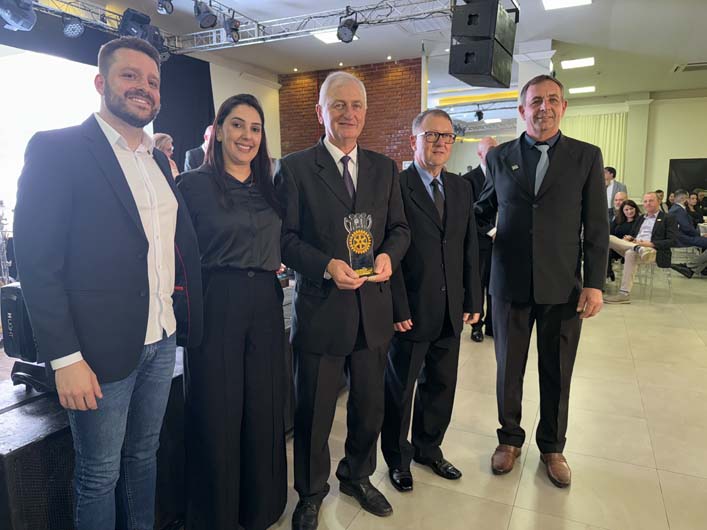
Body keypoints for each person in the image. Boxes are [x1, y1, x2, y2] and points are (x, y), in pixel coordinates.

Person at [13, 37, 203, 530]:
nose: (144, 88)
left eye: (153, 81)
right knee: (99, 474)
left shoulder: (158, 162)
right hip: (96, 351)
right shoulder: (57, 149)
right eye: (130, 76)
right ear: (101, 82)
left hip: (161, 339)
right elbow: (36, 263)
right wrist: (65, 359)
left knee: (144, 455)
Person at [276, 71, 410, 530]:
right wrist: (326, 265)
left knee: (369, 406)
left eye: (356, 105)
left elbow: (400, 229)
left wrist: (389, 255)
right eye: (338, 104)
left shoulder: (384, 168)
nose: (348, 113)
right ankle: (311, 492)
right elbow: (285, 239)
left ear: (365, 113)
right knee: (313, 412)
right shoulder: (295, 169)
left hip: (373, 312)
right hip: (321, 310)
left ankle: (357, 475)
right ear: (321, 112)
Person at [475, 74, 608, 488]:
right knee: (507, 369)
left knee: (557, 371)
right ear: (522, 110)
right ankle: (509, 439)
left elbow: (597, 224)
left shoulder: (586, 157)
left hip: (563, 286)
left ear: (563, 107)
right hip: (509, 284)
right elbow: (484, 209)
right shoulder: (500, 157)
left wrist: (595, 282)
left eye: (552, 100)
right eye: (535, 101)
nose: (544, 108)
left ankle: (552, 446)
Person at [178, 94, 286, 529]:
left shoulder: (270, 187)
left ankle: (260, 509)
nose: (247, 135)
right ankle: (216, 516)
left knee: (264, 406)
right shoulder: (191, 185)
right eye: (238, 125)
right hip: (216, 299)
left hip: (265, 300)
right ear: (219, 130)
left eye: (255, 128)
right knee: (217, 409)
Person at [381, 109, 481, 493]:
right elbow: (388, 250)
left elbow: (469, 246)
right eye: (431, 135)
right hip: (410, 309)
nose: (440, 142)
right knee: (400, 389)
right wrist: (397, 306)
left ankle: (428, 448)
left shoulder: (460, 188)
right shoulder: (395, 186)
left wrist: (473, 298)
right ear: (414, 141)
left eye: (447, 136)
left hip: (450, 308)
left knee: (441, 385)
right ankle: (397, 458)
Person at [604, 192, 677, 303]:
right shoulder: (641, 218)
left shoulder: (668, 218)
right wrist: (630, 238)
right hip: (636, 246)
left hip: (653, 250)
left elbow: (672, 241)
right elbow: (634, 235)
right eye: (645, 201)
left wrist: (649, 244)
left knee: (630, 253)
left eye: (651, 201)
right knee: (608, 238)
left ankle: (624, 294)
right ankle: (638, 248)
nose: (648, 203)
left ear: (659, 202)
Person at [462, 136, 498, 342]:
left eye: (496, 148)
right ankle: (477, 326)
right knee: (479, 284)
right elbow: (469, 215)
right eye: (490, 148)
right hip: (480, 242)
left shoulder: (503, 175)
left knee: (496, 285)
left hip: (501, 245)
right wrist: (492, 231)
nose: (494, 152)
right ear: (480, 153)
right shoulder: (468, 180)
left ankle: (493, 325)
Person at [668, 189, 707, 278]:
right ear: (683, 199)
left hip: (682, 236)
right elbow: (687, 228)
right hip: (682, 238)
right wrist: (700, 235)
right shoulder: (678, 210)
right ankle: (691, 267)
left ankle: (691, 267)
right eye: (688, 198)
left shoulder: (677, 208)